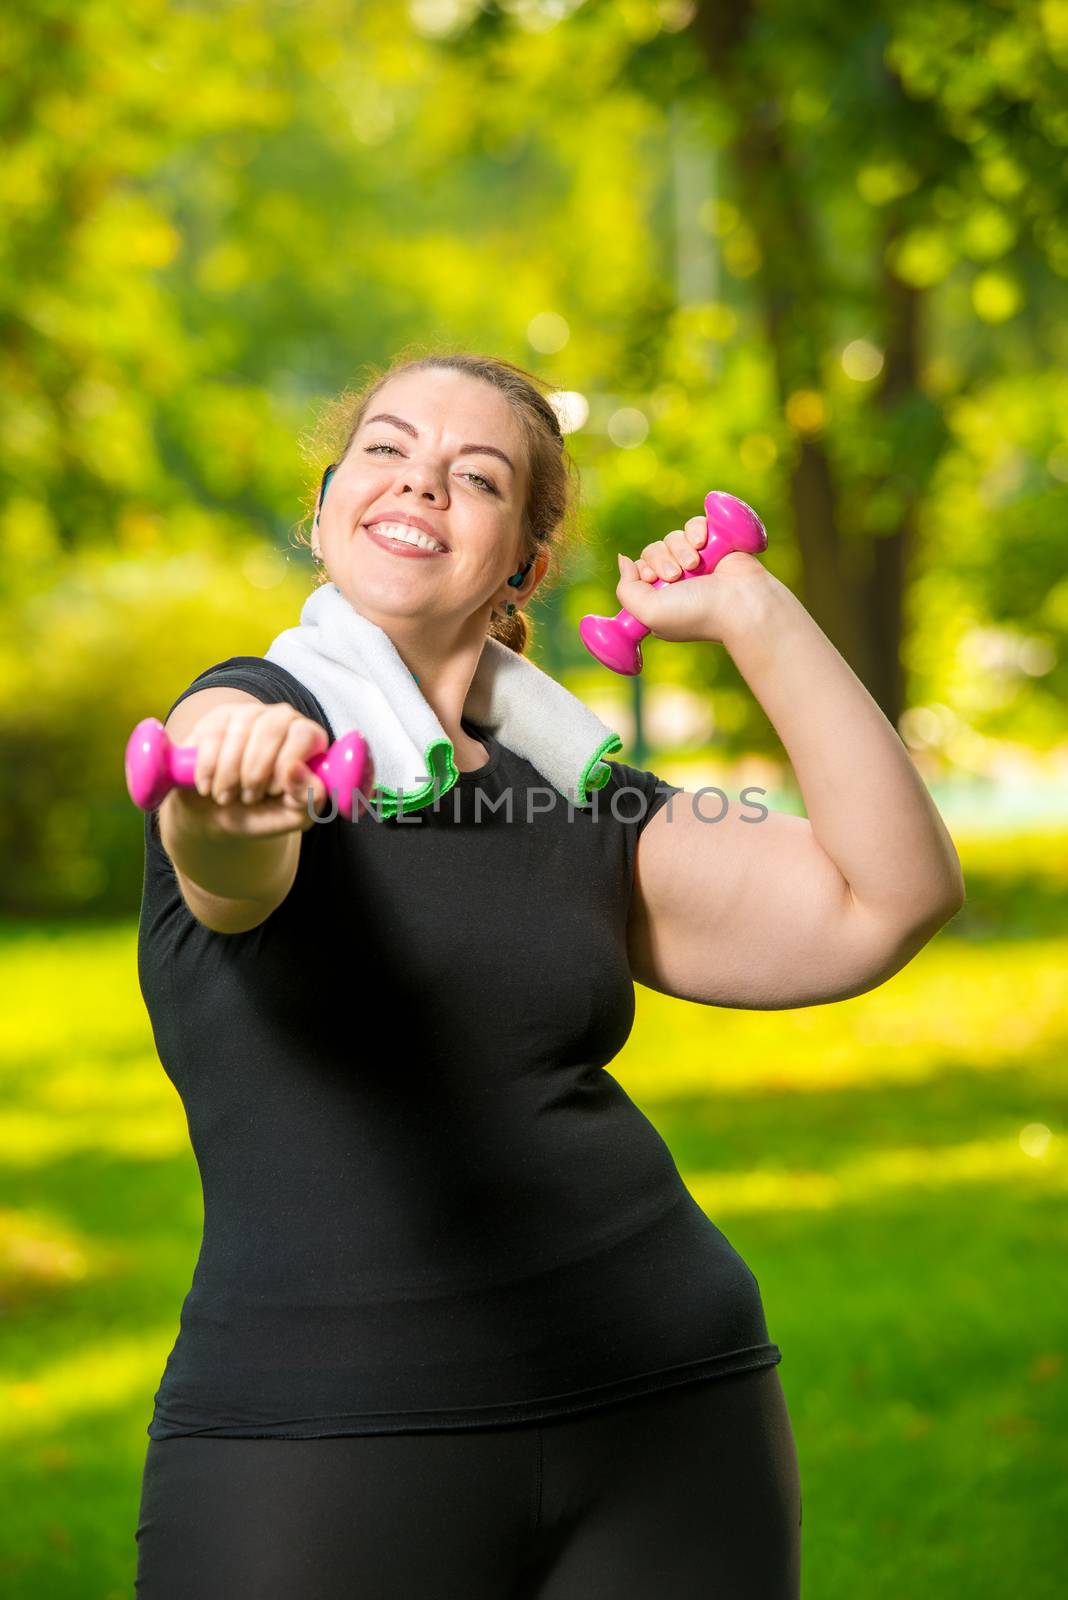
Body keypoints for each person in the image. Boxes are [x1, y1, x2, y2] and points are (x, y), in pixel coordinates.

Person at [133, 352, 965, 1598]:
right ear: (325, 509)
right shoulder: (244, 720)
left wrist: (754, 612)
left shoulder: (577, 798)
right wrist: (243, 789)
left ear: (523, 562)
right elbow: (223, 850)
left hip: (669, 1413)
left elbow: (888, 898)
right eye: (386, 447)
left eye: (476, 475)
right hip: (324, 1445)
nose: (420, 479)